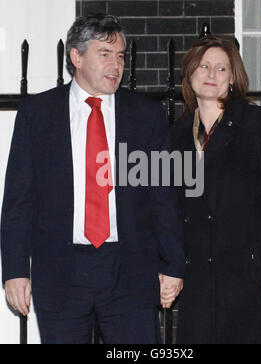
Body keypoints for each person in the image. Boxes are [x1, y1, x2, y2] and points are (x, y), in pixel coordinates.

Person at [1, 14, 185, 344]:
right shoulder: (37, 114)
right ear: (76, 57)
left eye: (121, 55)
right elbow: (18, 201)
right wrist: (14, 271)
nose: (116, 64)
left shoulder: (146, 115)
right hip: (61, 270)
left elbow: (163, 195)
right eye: (105, 53)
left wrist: (173, 264)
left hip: (129, 268)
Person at [171, 35, 261, 344]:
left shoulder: (260, 126)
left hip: (253, 283)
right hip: (200, 285)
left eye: (221, 68)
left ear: (233, 79)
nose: (212, 75)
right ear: (190, 73)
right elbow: (170, 209)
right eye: (204, 66)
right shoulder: (177, 134)